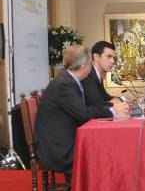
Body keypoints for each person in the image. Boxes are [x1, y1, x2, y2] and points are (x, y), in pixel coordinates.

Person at [34, 45, 128, 177]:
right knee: (105, 150)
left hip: (63, 139)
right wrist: (113, 112)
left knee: (104, 145)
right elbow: (84, 113)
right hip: (58, 148)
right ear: (84, 67)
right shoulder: (64, 84)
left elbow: (84, 110)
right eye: (90, 65)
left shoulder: (67, 79)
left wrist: (113, 110)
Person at [81, 41, 122, 107]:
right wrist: (117, 103)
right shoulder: (88, 75)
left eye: (113, 58)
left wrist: (120, 99)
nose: (113, 61)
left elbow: (105, 97)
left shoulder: (97, 74)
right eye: (109, 56)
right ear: (96, 57)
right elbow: (96, 104)